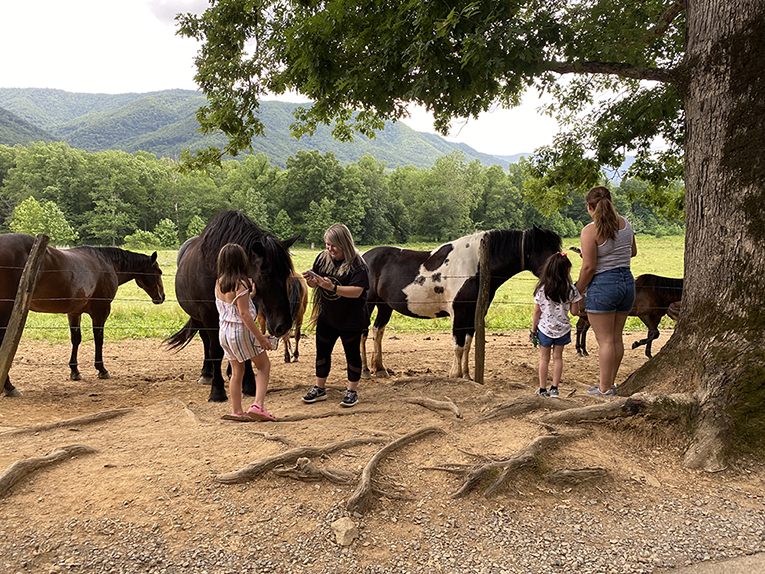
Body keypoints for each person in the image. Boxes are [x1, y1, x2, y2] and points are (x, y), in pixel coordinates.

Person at [574, 186, 638, 396]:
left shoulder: (589, 230)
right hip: (627, 282)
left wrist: (576, 291)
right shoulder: (626, 224)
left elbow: (589, 267)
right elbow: (633, 252)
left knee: (605, 341)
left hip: (603, 285)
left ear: (589, 206)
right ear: (610, 201)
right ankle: (609, 384)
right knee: (616, 337)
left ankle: (603, 389)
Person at [301, 224, 370, 407]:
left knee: (352, 355)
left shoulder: (358, 264)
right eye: (327, 244)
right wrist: (312, 282)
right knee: (322, 354)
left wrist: (332, 287)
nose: (330, 249)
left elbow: (356, 291)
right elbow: (315, 285)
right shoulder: (323, 258)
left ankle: (351, 391)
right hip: (328, 317)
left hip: (351, 319)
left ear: (344, 244)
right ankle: (319, 388)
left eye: (333, 245)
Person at [215, 243, 276, 421]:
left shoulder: (219, 283)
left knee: (236, 371)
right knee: (263, 366)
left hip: (224, 332)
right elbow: (244, 314)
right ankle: (258, 405)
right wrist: (260, 337)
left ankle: (236, 411)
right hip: (241, 332)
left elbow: (232, 305)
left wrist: (250, 296)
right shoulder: (241, 284)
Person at [531, 252, 582, 397]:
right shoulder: (571, 290)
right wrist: (577, 300)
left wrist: (534, 329)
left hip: (545, 329)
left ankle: (542, 389)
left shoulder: (542, 289)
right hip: (563, 329)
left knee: (544, 359)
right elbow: (574, 312)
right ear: (567, 271)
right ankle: (554, 388)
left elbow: (537, 312)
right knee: (558, 358)